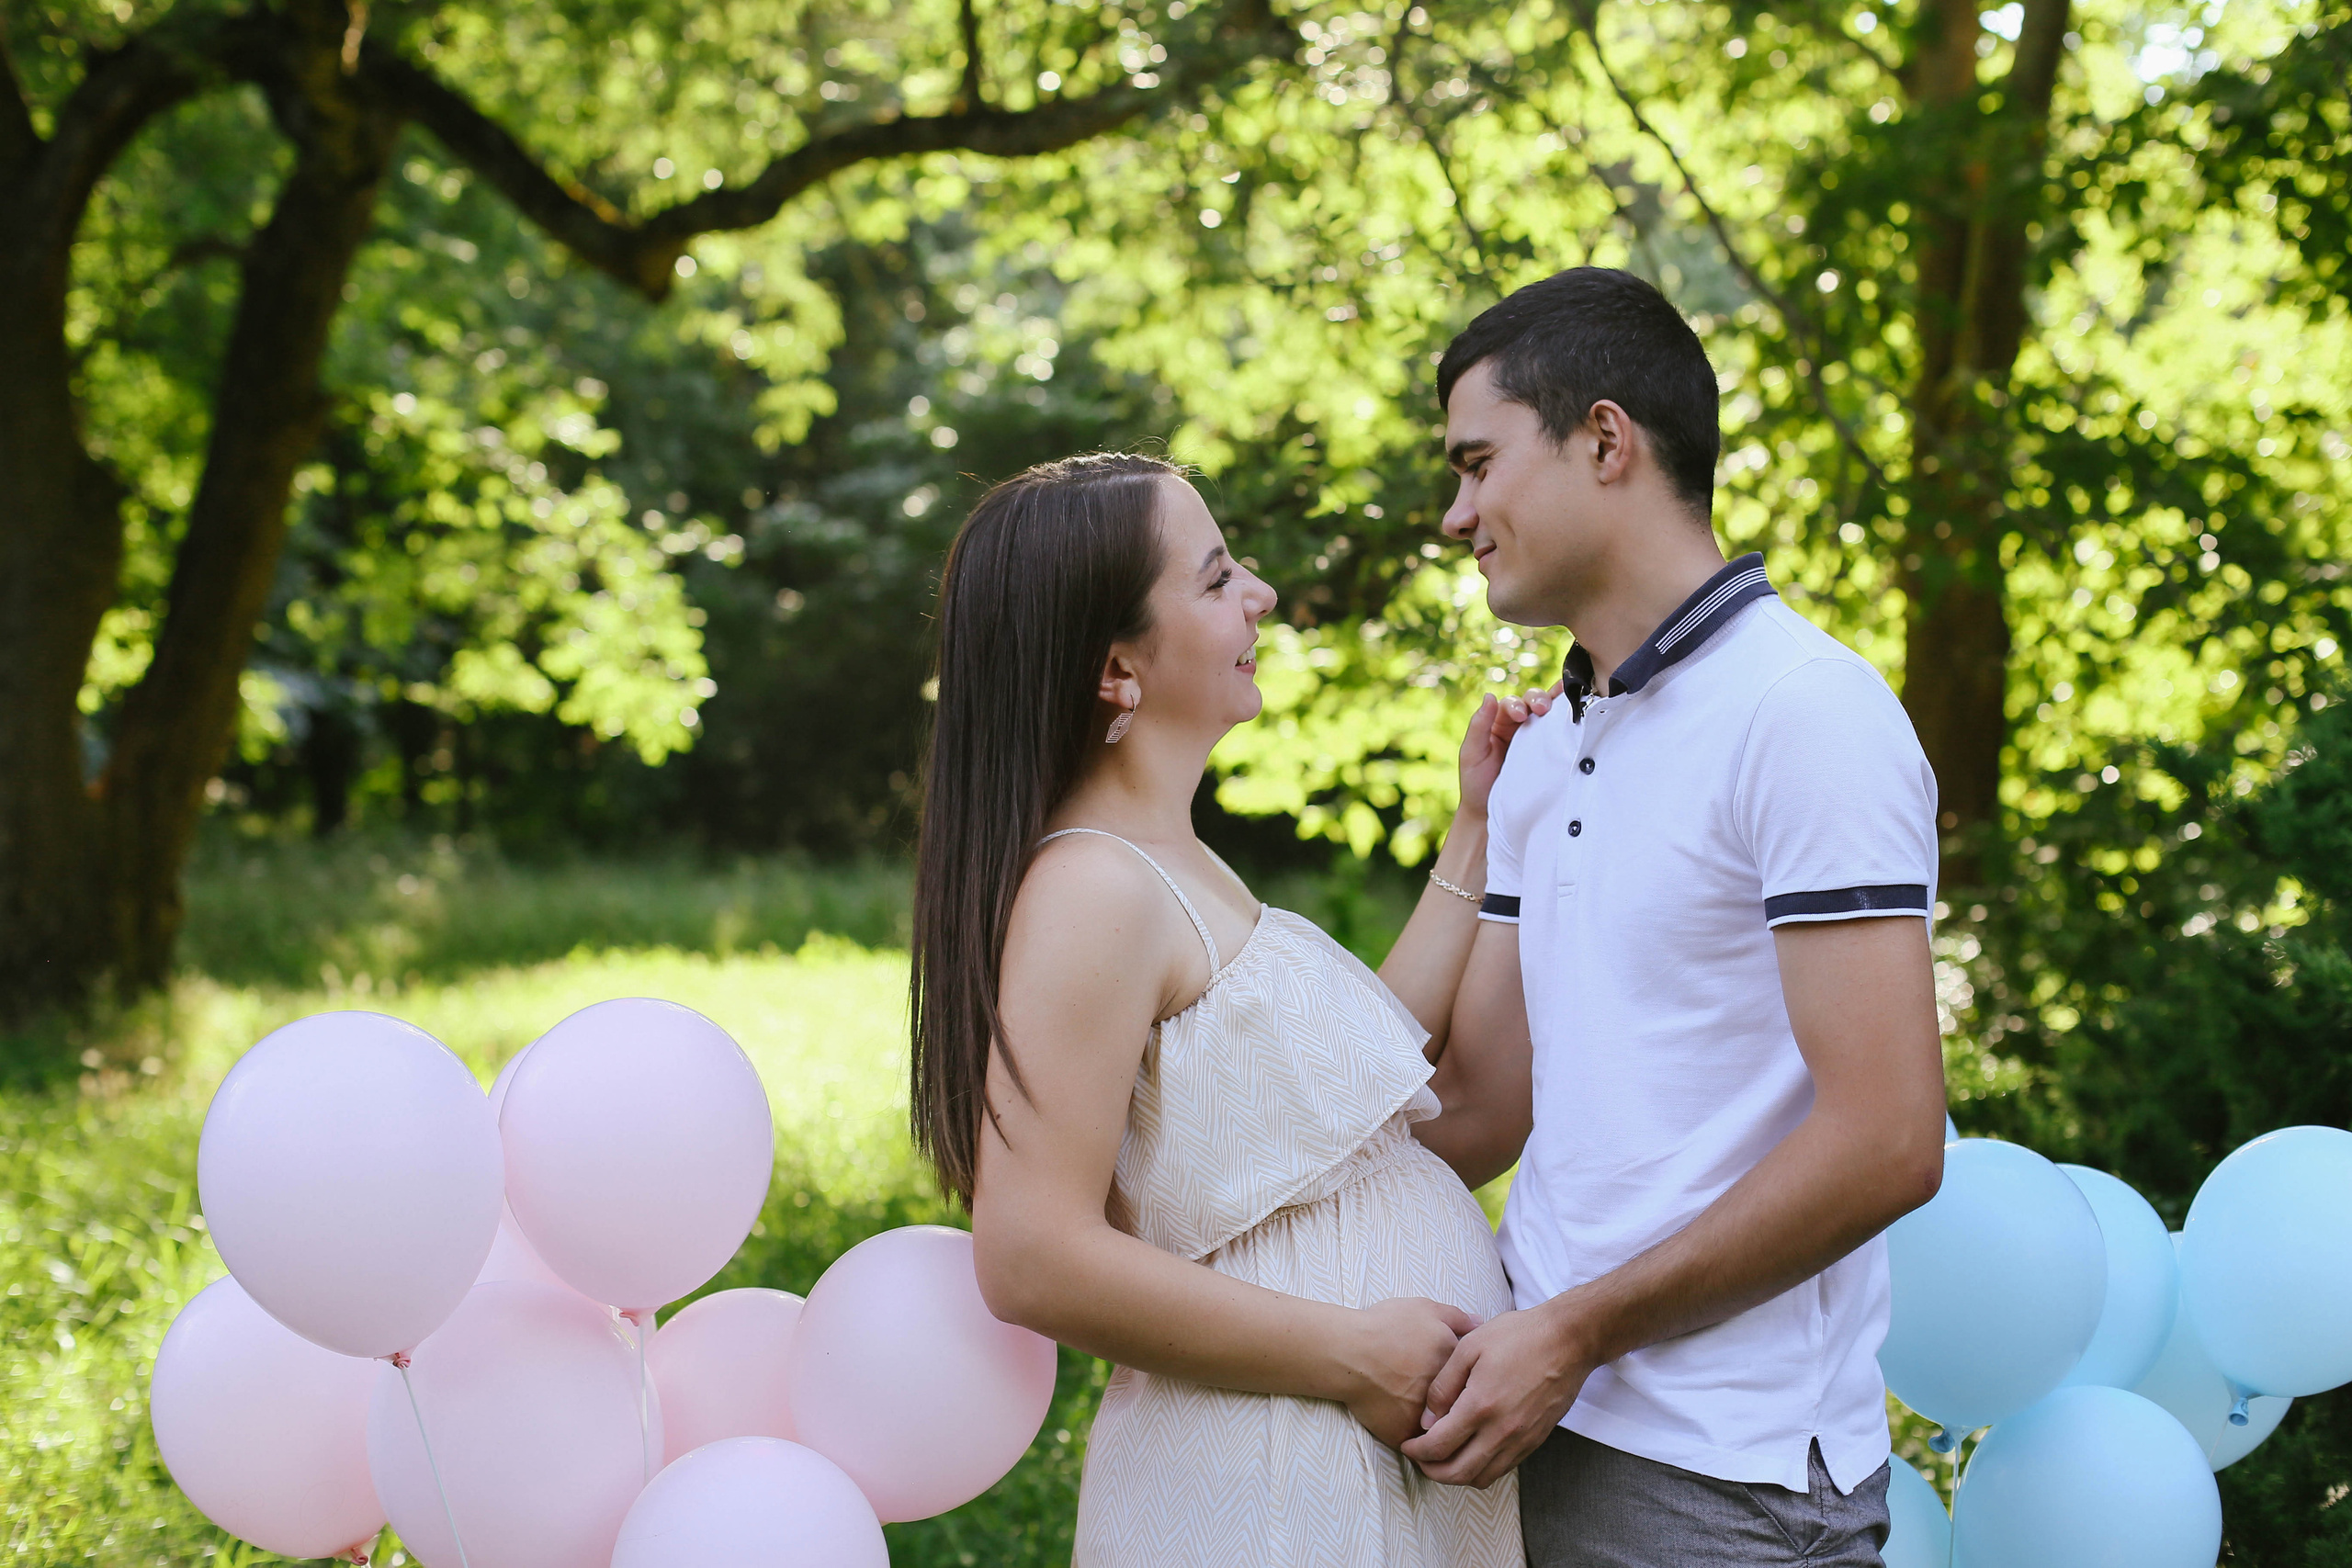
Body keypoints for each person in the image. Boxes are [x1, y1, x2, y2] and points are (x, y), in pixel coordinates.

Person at [1396, 268, 1950, 1567]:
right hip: (1525, 1418)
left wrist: (1577, 1329)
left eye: (1477, 465)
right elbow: (1483, 1105)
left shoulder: (1806, 712)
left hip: (1725, 1482)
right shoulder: (1543, 747)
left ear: (1604, 439)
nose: (1454, 514)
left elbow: (1887, 1141)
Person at [909, 452, 1543, 1567]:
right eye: (1213, 579)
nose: (1258, 594)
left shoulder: (1171, 863)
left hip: (1325, 1456)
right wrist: (1352, 1353)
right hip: (1270, 1482)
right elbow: (1029, 1253)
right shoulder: (1093, 889)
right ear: (1117, 669)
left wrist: (1475, 833)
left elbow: (1324, 1108)